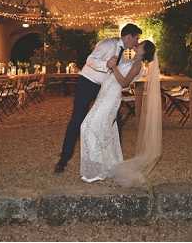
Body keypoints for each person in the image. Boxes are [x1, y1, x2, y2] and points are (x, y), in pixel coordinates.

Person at [54, 23, 142, 173]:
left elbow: (126, 70)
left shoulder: (127, 52)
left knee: (115, 119)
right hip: (87, 83)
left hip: (104, 87)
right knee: (77, 119)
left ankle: (114, 160)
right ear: (128, 37)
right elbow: (90, 60)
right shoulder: (108, 44)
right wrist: (106, 64)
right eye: (136, 39)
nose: (137, 42)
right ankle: (64, 159)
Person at [80, 40, 157, 184]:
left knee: (88, 126)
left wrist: (114, 67)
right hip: (104, 94)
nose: (137, 44)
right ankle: (106, 166)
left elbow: (124, 83)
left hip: (111, 98)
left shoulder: (137, 65)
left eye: (140, 45)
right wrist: (111, 66)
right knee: (103, 130)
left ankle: (96, 169)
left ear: (144, 51)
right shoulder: (130, 60)